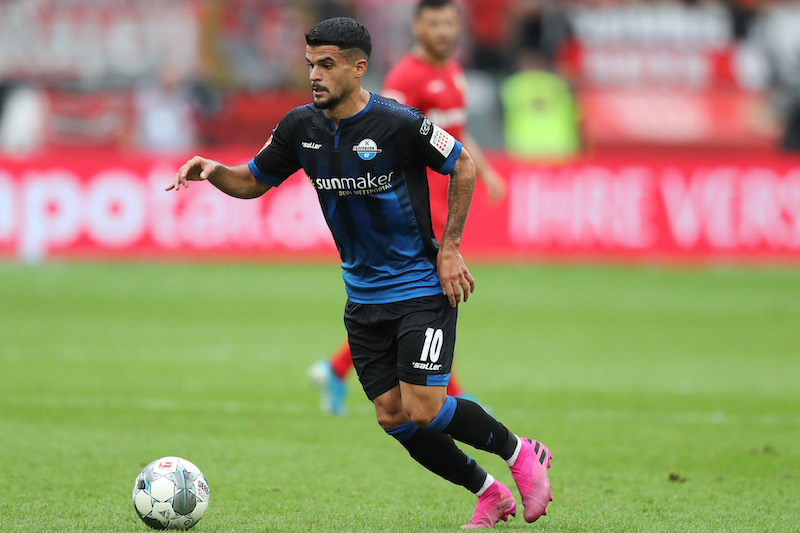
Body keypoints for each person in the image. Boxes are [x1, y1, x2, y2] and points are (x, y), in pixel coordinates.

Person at [169, 17, 552, 528]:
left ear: (358, 67)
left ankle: (521, 453)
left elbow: (462, 164)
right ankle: (489, 493)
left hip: (420, 287)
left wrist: (450, 249)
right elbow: (253, 181)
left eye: (327, 65)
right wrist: (214, 170)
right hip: (363, 299)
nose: (315, 75)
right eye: (311, 65)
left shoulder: (398, 123)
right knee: (392, 414)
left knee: (424, 407)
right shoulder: (300, 128)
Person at [309, 0, 506, 416]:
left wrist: (484, 171)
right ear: (416, 26)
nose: (443, 31)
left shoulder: (453, 72)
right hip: (416, 206)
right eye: (434, 23)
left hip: (446, 199)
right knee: (430, 296)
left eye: (449, 23)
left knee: (422, 297)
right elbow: (383, 131)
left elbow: (456, 133)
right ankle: (453, 394)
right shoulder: (405, 77)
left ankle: (336, 369)